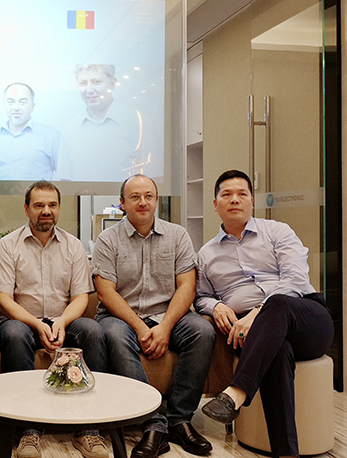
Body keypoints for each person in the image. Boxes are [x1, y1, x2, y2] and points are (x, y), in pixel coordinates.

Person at [196, 170, 333, 458]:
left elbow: (295, 280)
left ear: (252, 201)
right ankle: (286, 453)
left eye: (242, 194)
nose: (235, 200)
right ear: (215, 204)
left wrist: (259, 312)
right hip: (254, 333)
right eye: (227, 195)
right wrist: (216, 306)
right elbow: (200, 297)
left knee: (278, 303)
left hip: (304, 318)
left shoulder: (277, 231)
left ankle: (235, 393)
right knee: (277, 351)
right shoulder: (206, 254)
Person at [92, 174, 215, 458]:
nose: (143, 202)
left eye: (148, 196)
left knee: (202, 331)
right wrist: (140, 327)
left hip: (168, 314)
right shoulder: (108, 239)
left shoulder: (178, 235)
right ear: (122, 203)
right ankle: (153, 423)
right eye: (135, 197)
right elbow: (106, 293)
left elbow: (187, 287)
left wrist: (165, 327)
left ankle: (179, 420)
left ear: (157, 200)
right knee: (113, 334)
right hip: (121, 317)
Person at [0, 181, 108, 458]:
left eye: (52, 205)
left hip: (63, 321)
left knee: (92, 330)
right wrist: (37, 324)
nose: (46, 211)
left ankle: (89, 428)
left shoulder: (73, 246)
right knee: (13, 334)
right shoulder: (8, 245)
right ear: (26, 209)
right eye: (39, 205)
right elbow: (4, 299)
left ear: (59, 208)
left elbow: (80, 297)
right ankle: (28, 431)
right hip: (22, 321)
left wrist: (62, 322)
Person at [56, 65, 141, 182]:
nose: (89, 90)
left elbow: (153, 177)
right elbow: (65, 180)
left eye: (96, 82)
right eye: (83, 83)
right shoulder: (70, 129)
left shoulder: (135, 121)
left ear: (112, 83)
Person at [0, 83, 61, 180]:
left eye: (23, 102)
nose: (16, 108)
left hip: (36, 191)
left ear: (33, 106)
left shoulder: (51, 137)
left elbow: (64, 176)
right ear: (4, 105)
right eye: (10, 102)